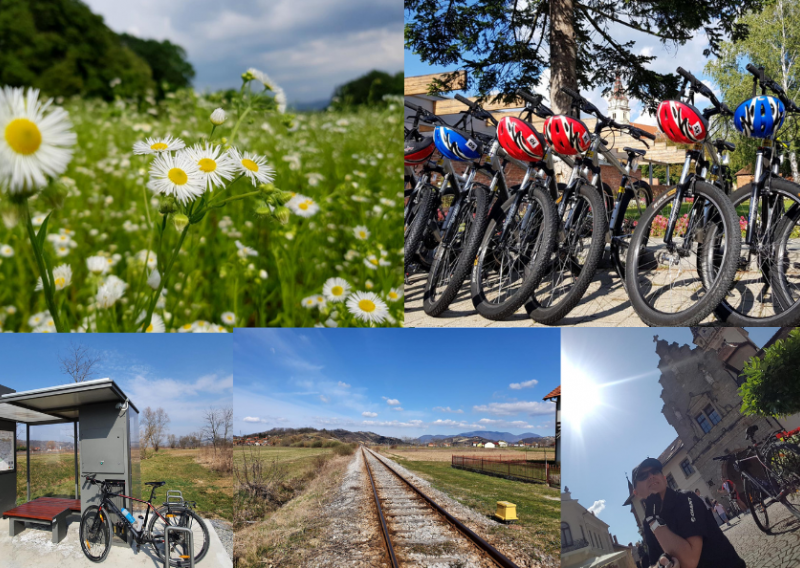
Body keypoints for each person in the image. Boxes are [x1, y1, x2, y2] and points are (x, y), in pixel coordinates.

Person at [631, 457, 746, 568]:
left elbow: (689, 561)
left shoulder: (685, 498)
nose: (651, 476)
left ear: (664, 479)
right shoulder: (648, 523)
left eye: (655, 471)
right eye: (643, 476)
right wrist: (661, 565)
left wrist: (653, 520)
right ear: (636, 493)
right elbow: (654, 563)